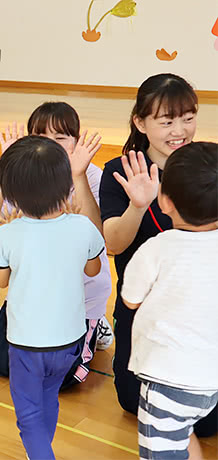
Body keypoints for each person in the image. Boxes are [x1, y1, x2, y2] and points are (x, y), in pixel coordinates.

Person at [99, 73, 217, 437]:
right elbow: (114, 244)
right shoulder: (120, 171)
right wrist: (138, 205)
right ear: (140, 122)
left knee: (208, 423)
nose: (180, 131)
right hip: (145, 311)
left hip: (205, 310)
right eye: (167, 122)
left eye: (188, 118)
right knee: (132, 401)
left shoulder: (207, 163)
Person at [0, 102, 113, 389]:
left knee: (63, 379)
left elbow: (98, 239)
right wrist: (9, 165)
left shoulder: (91, 174)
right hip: (31, 295)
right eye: (41, 137)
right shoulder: (25, 173)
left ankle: (95, 323)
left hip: (78, 297)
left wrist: (78, 175)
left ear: (75, 141)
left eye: (60, 137)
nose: (50, 144)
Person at [0, 136, 104, 460]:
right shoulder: (83, 227)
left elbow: (0, 282)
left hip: (26, 343)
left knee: (28, 415)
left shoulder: (8, 233)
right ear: (66, 186)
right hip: (69, 340)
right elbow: (93, 269)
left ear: (11, 194)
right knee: (48, 397)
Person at [121, 142, 218, 460]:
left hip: (168, 380)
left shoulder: (156, 248)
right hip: (210, 378)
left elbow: (130, 300)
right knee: (184, 433)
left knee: (161, 452)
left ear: (164, 201)